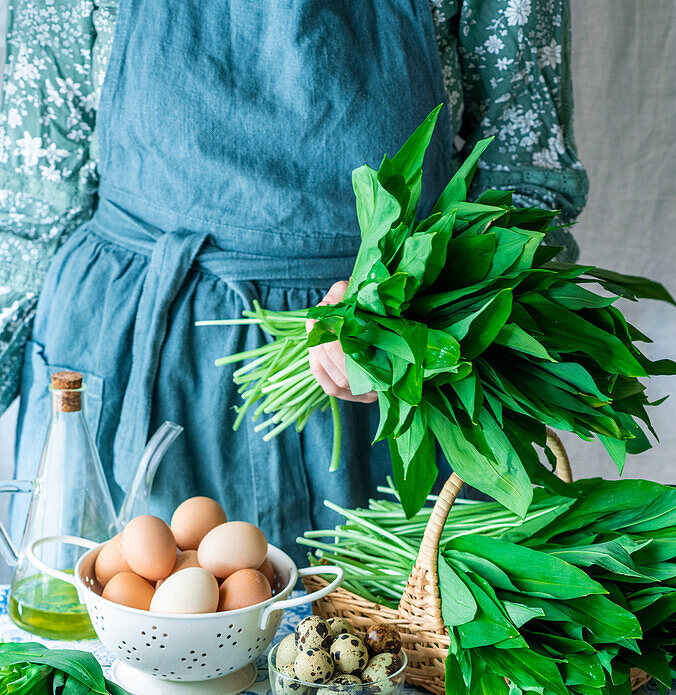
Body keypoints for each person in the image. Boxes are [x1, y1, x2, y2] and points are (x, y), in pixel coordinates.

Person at [0, 1, 587, 560]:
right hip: (132, 357)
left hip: (380, 381)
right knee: (116, 643)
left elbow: (526, 181)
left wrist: (419, 316)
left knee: (376, 654)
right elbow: (29, 205)